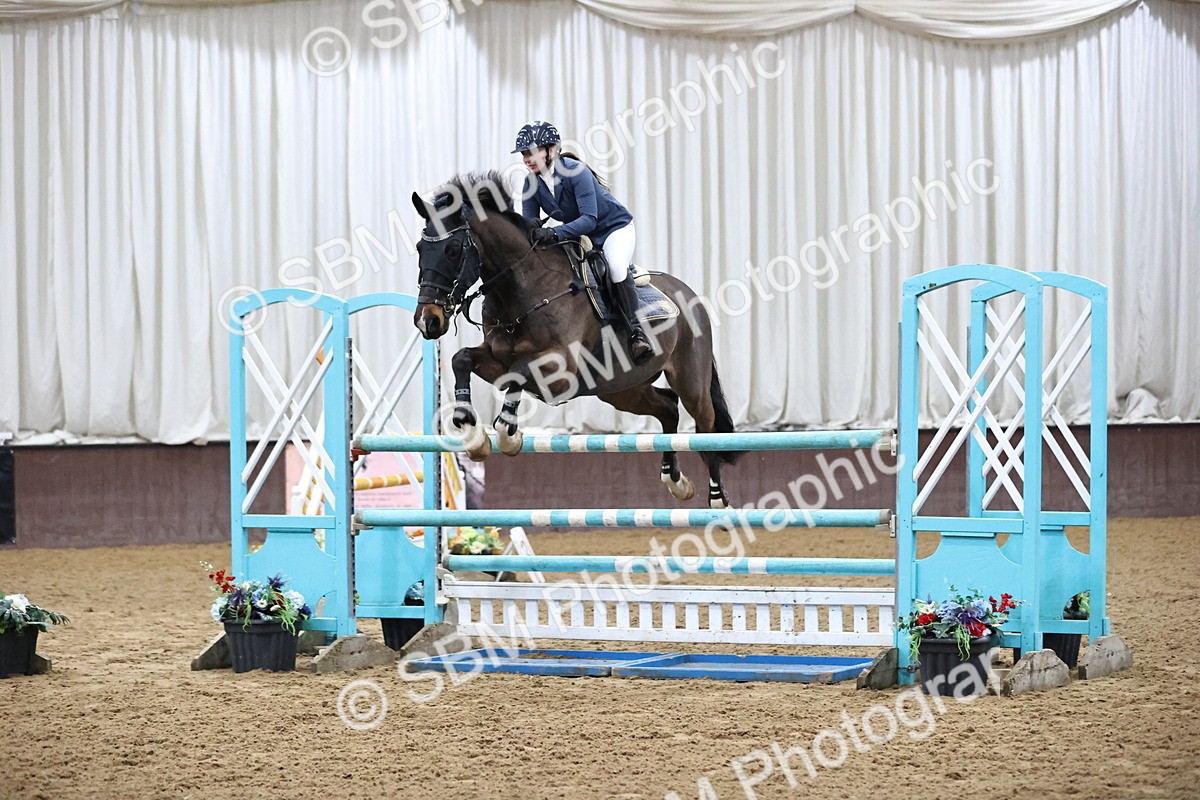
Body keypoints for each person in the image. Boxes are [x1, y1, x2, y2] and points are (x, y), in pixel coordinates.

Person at [513, 120, 653, 365]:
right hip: (578, 236)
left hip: (612, 229)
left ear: (551, 150)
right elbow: (530, 225)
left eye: (532, 152)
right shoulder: (530, 183)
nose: (527, 158)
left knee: (616, 266)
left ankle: (636, 333)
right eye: (524, 154)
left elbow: (589, 219)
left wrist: (554, 234)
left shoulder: (576, 172)